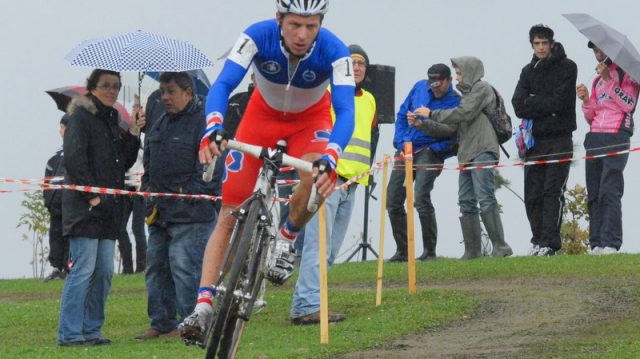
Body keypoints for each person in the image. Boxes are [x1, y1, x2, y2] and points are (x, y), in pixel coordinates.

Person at [180, 0, 355, 345]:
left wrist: (331, 157)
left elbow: (345, 108)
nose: (303, 35)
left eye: (311, 26)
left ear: (321, 24)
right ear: (278, 20)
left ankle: (287, 237)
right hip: (261, 117)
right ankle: (202, 306)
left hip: (311, 121)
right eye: (294, 25)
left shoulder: (336, 51)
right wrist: (213, 125)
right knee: (229, 213)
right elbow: (222, 85)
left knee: (316, 178)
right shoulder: (256, 36)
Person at [290, 44, 376, 325]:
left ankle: (311, 301)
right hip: (328, 179)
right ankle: (306, 305)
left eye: (362, 63)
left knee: (330, 250)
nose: (358, 67)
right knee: (318, 246)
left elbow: (369, 140)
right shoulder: (325, 96)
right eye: (353, 62)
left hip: (352, 182)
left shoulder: (371, 101)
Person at [57, 69, 141, 346]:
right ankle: (70, 334)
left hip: (109, 210)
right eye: (106, 85)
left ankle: (92, 330)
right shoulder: (79, 118)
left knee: (104, 271)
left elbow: (123, 162)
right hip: (85, 208)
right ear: (91, 88)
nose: (112, 90)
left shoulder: (111, 120)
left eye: (116, 86)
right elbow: (74, 160)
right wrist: (92, 197)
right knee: (83, 270)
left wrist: (134, 132)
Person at [134, 72, 217, 340]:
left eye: (170, 91)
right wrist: (147, 189)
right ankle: (161, 323)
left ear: (188, 92)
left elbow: (210, 172)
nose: (165, 97)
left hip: (191, 214)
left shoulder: (205, 124)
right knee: (156, 270)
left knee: (186, 269)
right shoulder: (159, 122)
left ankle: (191, 323)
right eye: (162, 92)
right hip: (159, 213)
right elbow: (148, 160)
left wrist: (185, 194)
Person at [416, 57, 513, 259]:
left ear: (470, 72)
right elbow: (450, 128)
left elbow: (463, 113)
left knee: (485, 196)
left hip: (482, 149)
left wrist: (432, 113)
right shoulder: (466, 96)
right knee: (466, 200)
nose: (457, 78)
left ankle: (500, 247)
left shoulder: (481, 89)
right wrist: (423, 124)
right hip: (466, 153)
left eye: (459, 73)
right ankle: (472, 251)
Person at [511, 24, 577, 256]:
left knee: (552, 191)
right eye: (536, 43)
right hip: (534, 140)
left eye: (544, 43)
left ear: (551, 43)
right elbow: (518, 104)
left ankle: (550, 243)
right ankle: (538, 240)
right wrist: (541, 103)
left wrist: (534, 102)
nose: (540, 47)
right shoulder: (528, 70)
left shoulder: (568, 66)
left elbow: (561, 103)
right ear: (532, 45)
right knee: (533, 192)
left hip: (560, 138)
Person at [386, 63, 460, 262]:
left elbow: (451, 132)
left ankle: (429, 252)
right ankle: (403, 252)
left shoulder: (455, 102)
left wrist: (429, 136)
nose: (434, 86)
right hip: (406, 149)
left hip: (430, 152)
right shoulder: (419, 87)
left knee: (420, 198)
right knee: (392, 200)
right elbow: (402, 114)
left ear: (449, 81)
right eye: (431, 82)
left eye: (438, 82)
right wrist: (400, 141)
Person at [576, 41, 640, 255]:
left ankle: (611, 242)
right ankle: (596, 243)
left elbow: (628, 104)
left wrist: (609, 80)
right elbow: (592, 116)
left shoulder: (627, 75)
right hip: (595, 137)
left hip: (617, 135)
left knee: (609, 190)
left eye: (601, 48)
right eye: (595, 50)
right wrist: (585, 101)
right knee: (594, 192)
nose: (598, 53)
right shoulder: (596, 81)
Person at [43, 114, 70, 281]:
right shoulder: (56, 155)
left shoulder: (76, 152)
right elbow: (47, 179)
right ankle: (56, 267)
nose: (59, 131)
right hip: (55, 204)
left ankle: (68, 268)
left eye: (62, 127)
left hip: (69, 204)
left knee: (68, 236)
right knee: (55, 235)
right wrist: (47, 199)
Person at [118, 148, 147, 274]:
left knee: (137, 228)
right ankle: (127, 267)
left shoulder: (141, 149)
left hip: (139, 191)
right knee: (120, 228)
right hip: (126, 190)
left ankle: (142, 266)